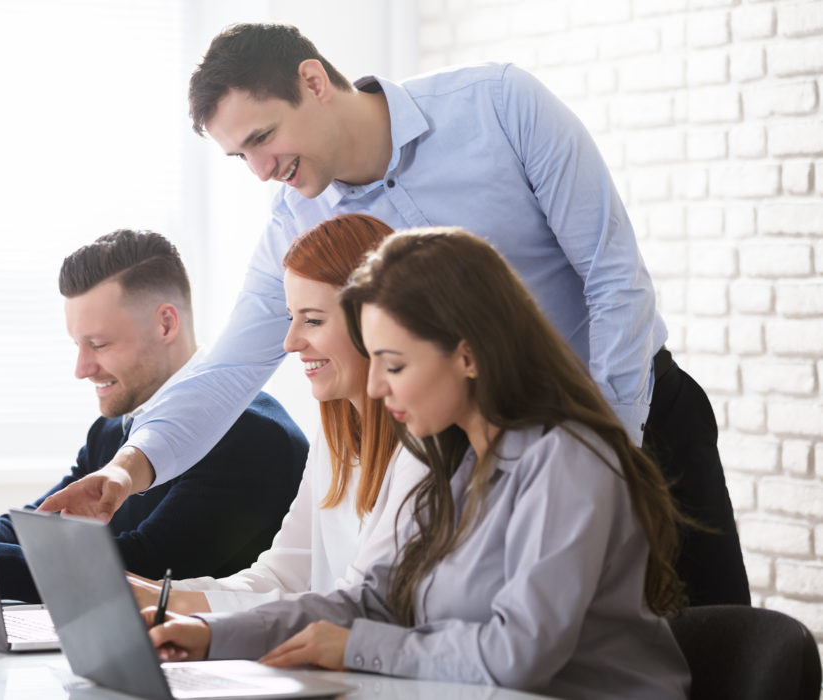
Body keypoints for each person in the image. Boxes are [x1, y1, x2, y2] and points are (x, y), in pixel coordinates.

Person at [42, 23, 748, 606]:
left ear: (313, 82)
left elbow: (615, 279)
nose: (259, 170)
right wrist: (128, 472)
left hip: (633, 417)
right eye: (239, 157)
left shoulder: (501, 106)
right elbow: (230, 368)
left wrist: (596, 455)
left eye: (262, 138)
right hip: (485, 458)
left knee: (711, 649)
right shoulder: (296, 219)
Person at [147, 228, 692, 700]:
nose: (377, 386)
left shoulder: (567, 460)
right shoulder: (441, 455)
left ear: (469, 355)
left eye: (395, 364)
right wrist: (212, 633)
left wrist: (358, 647)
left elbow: (519, 654)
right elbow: (369, 601)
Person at [0, 229, 309, 602]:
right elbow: (35, 525)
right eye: (78, 345)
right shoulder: (112, 428)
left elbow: (143, 568)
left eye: (100, 345)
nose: (82, 369)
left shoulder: (252, 434)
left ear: (167, 323)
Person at [131, 214, 425, 615]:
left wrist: (177, 609)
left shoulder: (424, 449)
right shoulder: (334, 438)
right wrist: (160, 597)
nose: (290, 342)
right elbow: (282, 576)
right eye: (292, 318)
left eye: (314, 320)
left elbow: (360, 606)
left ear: (377, 322)